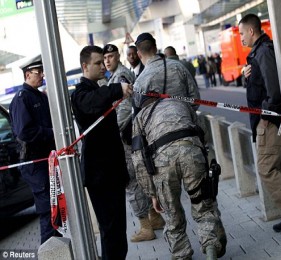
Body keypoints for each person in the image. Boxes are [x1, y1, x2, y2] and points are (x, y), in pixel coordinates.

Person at [131, 97, 226, 259]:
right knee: (203, 207)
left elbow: (139, 160)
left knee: (172, 215)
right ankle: (210, 247)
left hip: (162, 163)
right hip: (192, 154)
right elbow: (203, 132)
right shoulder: (181, 103)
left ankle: (182, 255)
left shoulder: (140, 117)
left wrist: (152, 193)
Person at [239, 14, 281, 237]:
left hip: (269, 120)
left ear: (252, 31)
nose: (241, 38)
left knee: (265, 168)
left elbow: (273, 89)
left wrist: (264, 114)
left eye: (242, 33)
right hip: (270, 119)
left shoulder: (263, 51)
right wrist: (247, 77)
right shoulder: (259, 52)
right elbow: (261, 84)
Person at [70, 45, 133, 259]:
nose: (103, 66)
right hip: (100, 176)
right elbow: (91, 104)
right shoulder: (81, 94)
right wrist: (116, 89)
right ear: (85, 66)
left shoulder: (98, 88)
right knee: (110, 232)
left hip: (112, 172)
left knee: (118, 232)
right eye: (98, 63)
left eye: (103, 61)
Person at [104, 43, 165, 242]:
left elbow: (123, 110)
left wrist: (111, 131)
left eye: (110, 57)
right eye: (104, 58)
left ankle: (146, 227)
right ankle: (154, 219)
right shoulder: (116, 76)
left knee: (130, 181)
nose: (107, 61)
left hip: (126, 137)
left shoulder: (121, 76)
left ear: (117, 56)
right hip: (130, 136)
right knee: (139, 178)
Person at [9, 55, 60, 244]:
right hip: (35, 163)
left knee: (55, 209)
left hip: (46, 160)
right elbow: (25, 132)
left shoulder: (38, 95)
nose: (42, 76)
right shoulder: (22, 98)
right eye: (38, 73)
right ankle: (49, 251)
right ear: (28, 74)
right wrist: (51, 132)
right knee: (47, 210)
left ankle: (59, 250)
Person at [132, 33, 200, 111]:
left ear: (139, 54)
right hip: (186, 121)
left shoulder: (139, 82)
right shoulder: (178, 66)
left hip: (157, 123)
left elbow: (139, 113)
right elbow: (195, 98)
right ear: (156, 48)